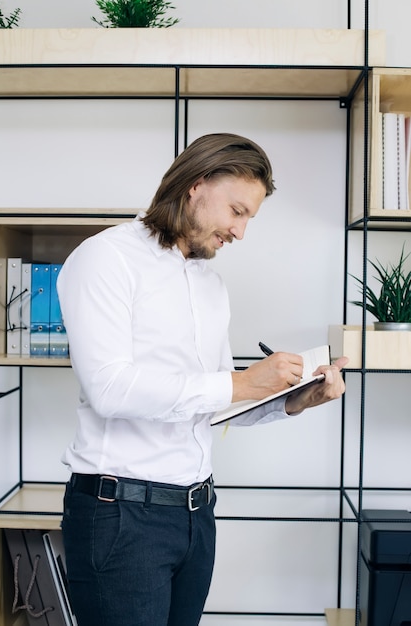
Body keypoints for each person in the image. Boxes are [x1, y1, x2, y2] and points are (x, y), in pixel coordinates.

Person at [57, 132, 348, 626]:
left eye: (249, 218)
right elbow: (111, 388)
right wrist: (241, 382)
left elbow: (208, 404)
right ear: (195, 185)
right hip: (120, 516)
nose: (240, 232)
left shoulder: (211, 285)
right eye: (237, 211)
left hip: (196, 513)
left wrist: (292, 401)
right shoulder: (105, 259)